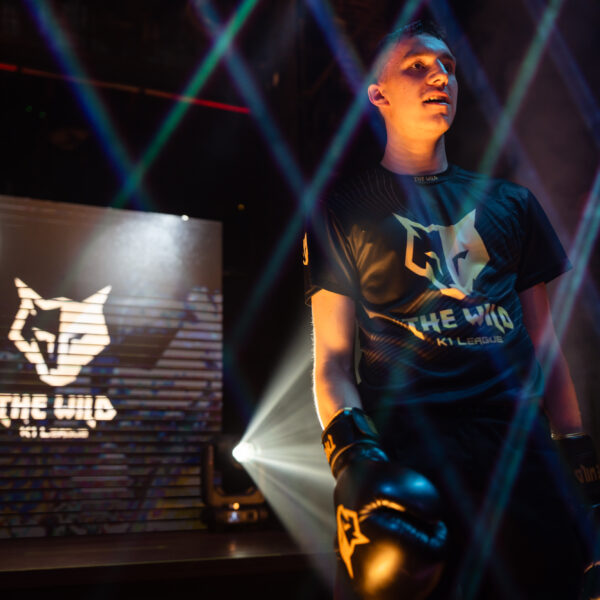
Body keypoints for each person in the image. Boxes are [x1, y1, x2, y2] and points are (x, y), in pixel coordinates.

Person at [303, 18, 598, 600]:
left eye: (448, 66)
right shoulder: (343, 208)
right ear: (378, 95)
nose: (439, 75)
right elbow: (332, 360)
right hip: (411, 456)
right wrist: (356, 462)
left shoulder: (511, 203)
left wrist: (580, 461)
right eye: (416, 65)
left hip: (520, 460)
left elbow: (545, 346)